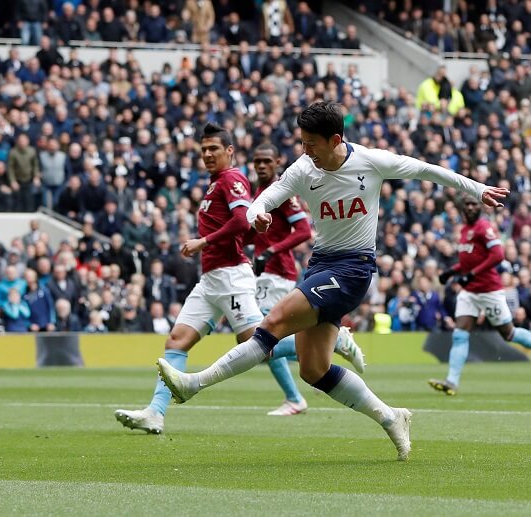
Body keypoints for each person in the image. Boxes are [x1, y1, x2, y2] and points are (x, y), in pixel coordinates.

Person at [156, 102, 508, 461]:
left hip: (354, 268)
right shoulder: (305, 168)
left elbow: (426, 170)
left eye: (312, 144)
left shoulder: (371, 161)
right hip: (321, 265)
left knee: (273, 322)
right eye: (302, 143)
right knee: (313, 369)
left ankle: (193, 384)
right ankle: (391, 417)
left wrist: (477, 190)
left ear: (335, 139)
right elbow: (264, 198)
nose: (305, 151)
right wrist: (257, 214)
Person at [114, 122, 264, 434]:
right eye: (204, 150)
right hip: (211, 279)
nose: (207, 154)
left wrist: (203, 242)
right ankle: (155, 413)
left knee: (256, 342)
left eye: (214, 149)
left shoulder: (232, 178)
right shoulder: (214, 184)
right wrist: (251, 231)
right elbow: (242, 228)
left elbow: (238, 220)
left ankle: (332, 341)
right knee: (177, 340)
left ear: (230, 151)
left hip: (231, 275)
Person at [251, 143, 366, 417]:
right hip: (264, 273)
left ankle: (296, 395)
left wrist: (271, 250)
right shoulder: (260, 194)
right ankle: (296, 394)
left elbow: (303, 230)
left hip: (278, 272)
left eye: (267, 161)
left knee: (262, 338)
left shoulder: (284, 195)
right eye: (257, 161)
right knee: (261, 341)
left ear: (278, 162)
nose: (261, 166)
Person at [430, 196, 531, 395]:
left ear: (480, 208)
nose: (470, 207)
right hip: (470, 292)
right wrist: (451, 272)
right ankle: (451, 382)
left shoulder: (484, 227)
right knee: (460, 334)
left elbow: (498, 255)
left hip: (489, 290)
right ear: (461, 208)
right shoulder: (465, 230)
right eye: (466, 204)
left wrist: (471, 275)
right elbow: (469, 261)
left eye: (474, 204)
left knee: (509, 334)